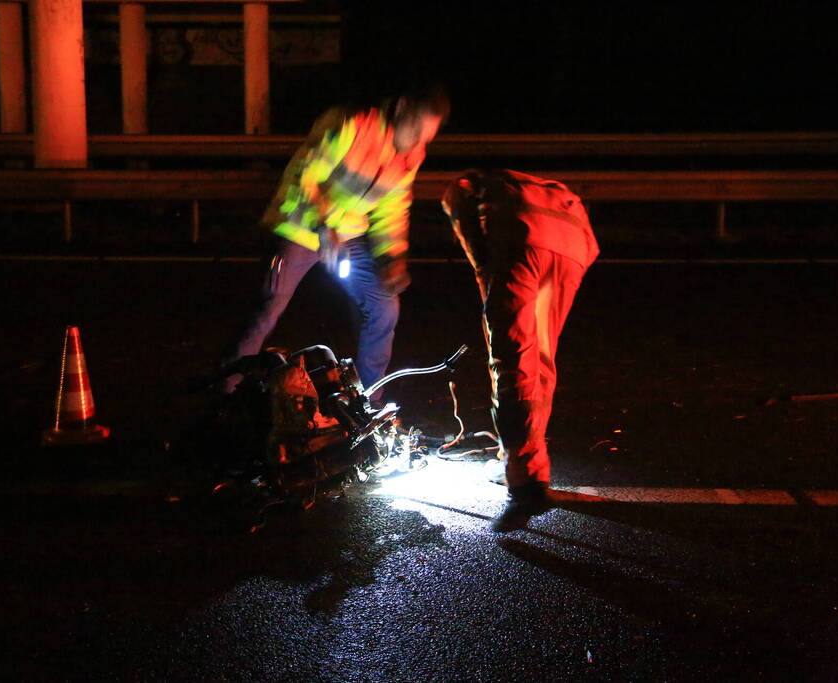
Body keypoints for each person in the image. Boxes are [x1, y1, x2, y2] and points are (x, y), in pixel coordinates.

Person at [221, 87, 449, 399]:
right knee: (268, 307)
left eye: (426, 136)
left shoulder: (411, 153)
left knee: (384, 306)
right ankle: (226, 393)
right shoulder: (351, 126)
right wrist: (323, 224)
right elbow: (306, 177)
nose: (417, 142)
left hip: (347, 235)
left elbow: (393, 206)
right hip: (298, 226)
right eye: (415, 129)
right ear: (401, 108)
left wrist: (391, 256)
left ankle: (369, 401)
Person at [441, 169, 599, 531]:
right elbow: (589, 244)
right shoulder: (523, 185)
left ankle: (526, 482)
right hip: (574, 244)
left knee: (513, 360)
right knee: (541, 358)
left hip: (523, 238)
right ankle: (518, 459)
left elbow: (463, 216)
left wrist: (486, 269)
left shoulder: (464, 187)